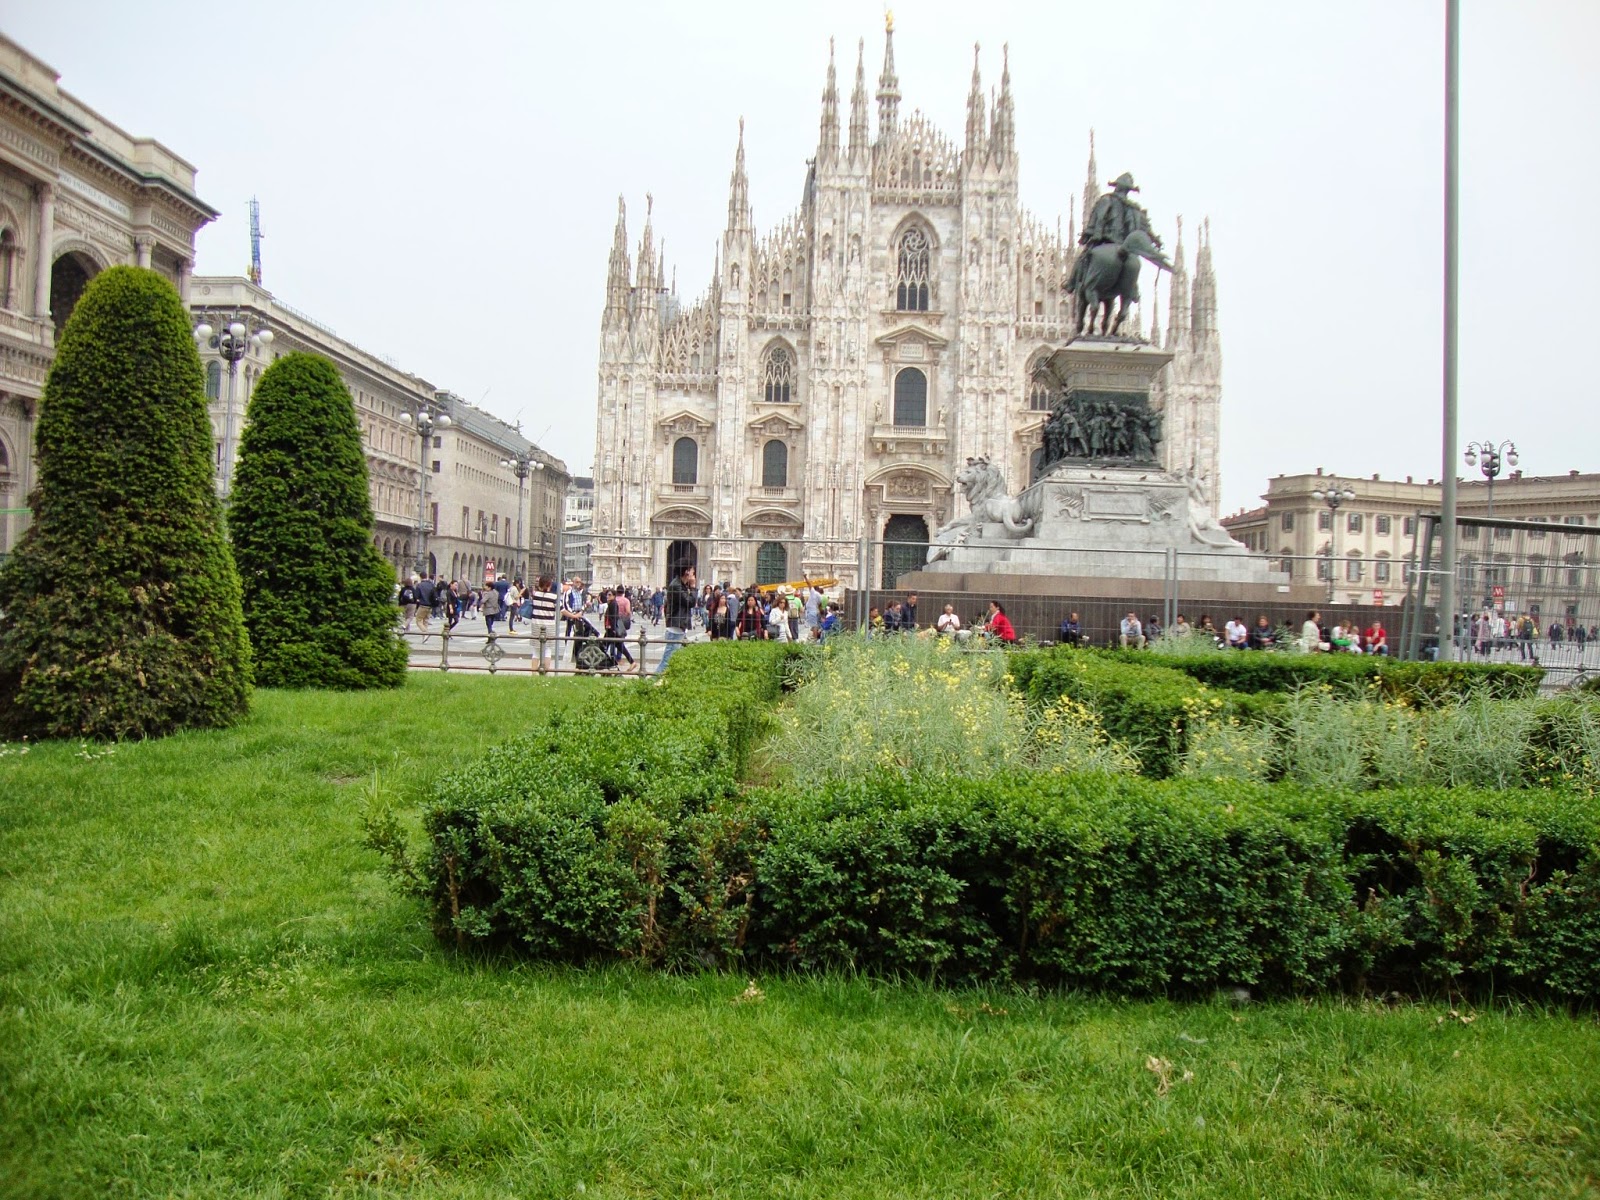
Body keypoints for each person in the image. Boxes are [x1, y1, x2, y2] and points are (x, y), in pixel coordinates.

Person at [656, 562, 696, 676]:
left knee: (678, 658)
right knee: (667, 660)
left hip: (679, 627)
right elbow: (690, 602)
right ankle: (651, 683)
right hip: (676, 627)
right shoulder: (676, 586)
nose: (694, 574)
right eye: (692, 571)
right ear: (686, 572)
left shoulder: (681, 585)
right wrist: (693, 588)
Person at [527, 575, 560, 672]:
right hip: (549, 625)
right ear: (550, 585)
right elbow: (561, 610)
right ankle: (545, 672)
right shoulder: (554, 597)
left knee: (536, 650)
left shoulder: (535, 595)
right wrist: (574, 615)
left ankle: (533, 673)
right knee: (547, 650)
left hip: (536, 624)